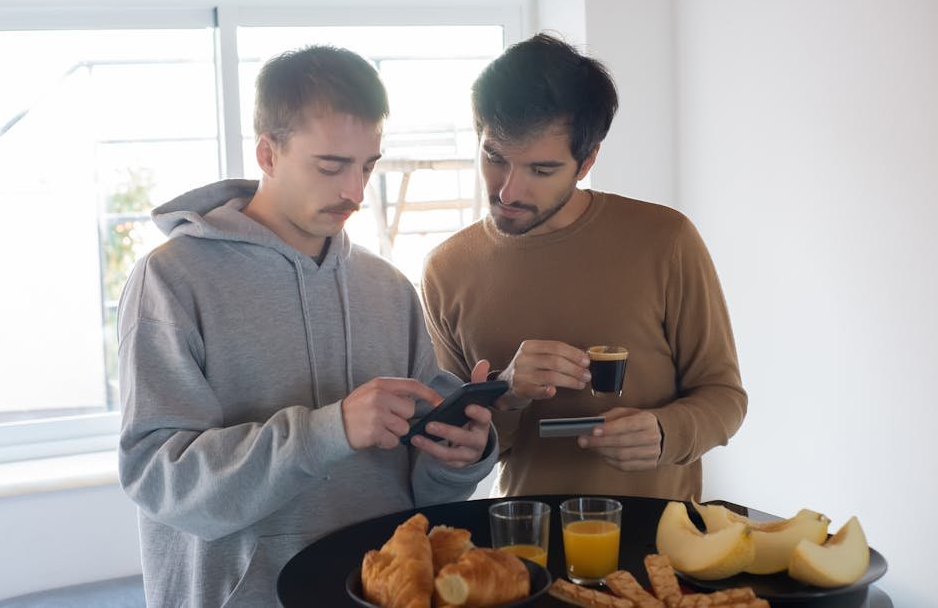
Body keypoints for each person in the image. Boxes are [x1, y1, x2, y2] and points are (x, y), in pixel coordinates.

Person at [117, 45, 497, 608]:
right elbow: (159, 479)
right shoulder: (170, 279)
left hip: (380, 593)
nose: (355, 191)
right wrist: (329, 430)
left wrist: (463, 454)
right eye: (331, 165)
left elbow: (418, 487)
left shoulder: (389, 288)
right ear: (268, 154)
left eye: (367, 165)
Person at [421, 33, 746, 502]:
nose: (509, 191)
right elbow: (457, 446)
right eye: (495, 158)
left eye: (540, 170)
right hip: (522, 546)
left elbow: (724, 396)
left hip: (658, 544)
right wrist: (507, 392)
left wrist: (665, 432)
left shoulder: (665, 239)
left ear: (587, 160)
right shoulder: (446, 269)